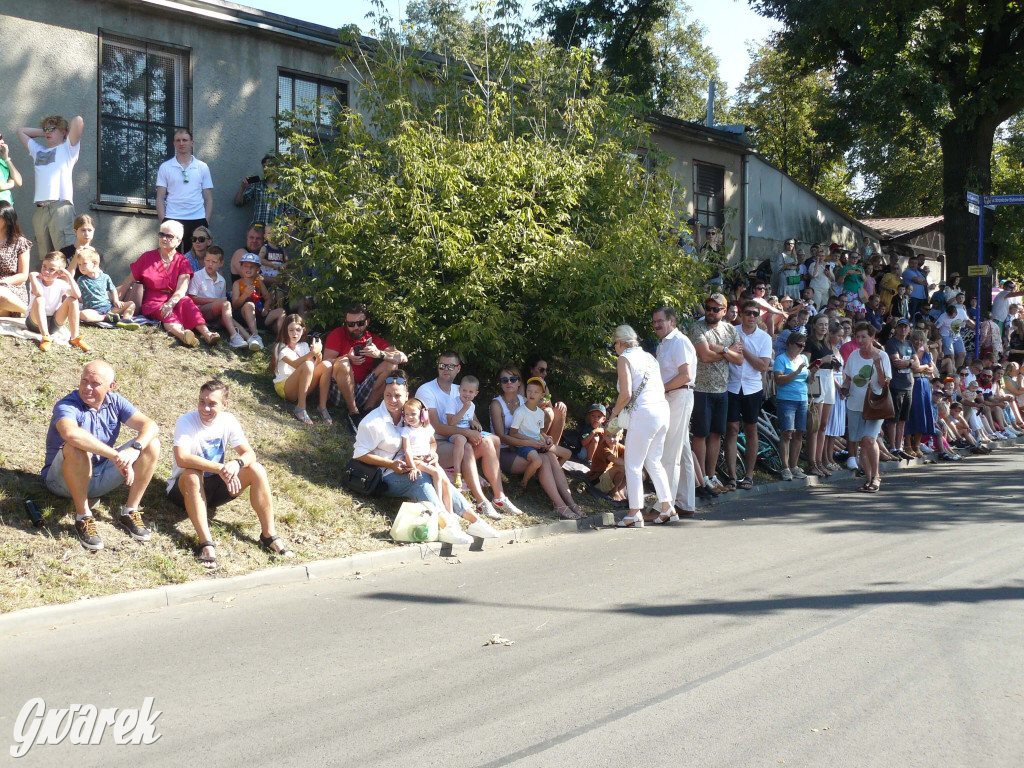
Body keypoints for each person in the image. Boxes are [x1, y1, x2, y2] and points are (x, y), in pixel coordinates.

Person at [354, 371, 498, 545]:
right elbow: (360, 454)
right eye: (388, 395)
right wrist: (391, 464)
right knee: (420, 479)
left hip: (412, 464)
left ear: (406, 396)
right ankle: (446, 526)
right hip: (384, 476)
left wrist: (433, 453)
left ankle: (474, 521)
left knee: (440, 476)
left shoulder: (410, 416)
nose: (393, 400)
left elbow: (430, 440)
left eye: (397, 395)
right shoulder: (372, 423)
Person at [168, 379, 295, 570]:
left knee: (256, 469)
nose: (205, 408)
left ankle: (268, 535)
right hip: (184, 489)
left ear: (225, 405)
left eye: (212, 404)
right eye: (202, 402)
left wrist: (237, 463)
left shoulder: (228, 420)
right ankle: (206, 544)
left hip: (216, 487)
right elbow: (182, 458)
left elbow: (250, 454)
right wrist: (220, 468)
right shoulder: (186, 421)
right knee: (193, 474)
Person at [42, 360, 161, 550]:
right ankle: (83, 517)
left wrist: (135, 449)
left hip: (98, 478)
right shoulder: (67, 404)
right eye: (84, 381)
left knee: (151, 444)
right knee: (76, 447)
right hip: (60, 481)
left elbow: (151, 426)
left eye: (95, 383)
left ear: (110, 386)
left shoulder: (116, 402)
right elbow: (71, 434)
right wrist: (116, 456)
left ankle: (130, 511)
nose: (87, 388)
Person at [416, 351, 521, 519]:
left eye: (450, 366)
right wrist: (466, 432)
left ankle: (499, 496)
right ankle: (481, 502)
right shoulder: (426, 390)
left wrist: (474, 426)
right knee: (466, 447)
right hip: (435, 444)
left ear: (458, 369)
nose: (445, 369)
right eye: (442, 365)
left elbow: (472, 418)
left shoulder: (462, 389)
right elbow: (436, 427)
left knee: (488, 442)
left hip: (458, 440)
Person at [608, 325, 673, 527]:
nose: (615, 349)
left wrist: (614, 415)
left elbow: (626, 394)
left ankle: (635, 511)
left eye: (614, 345)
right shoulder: (649, 358)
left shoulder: (624, 358)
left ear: (619, 343)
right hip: (662, 410)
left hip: (644, 413)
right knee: (654, 461)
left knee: (633, 464)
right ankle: (667, 506)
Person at [119, 220, 220, 347]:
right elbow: (129, 281)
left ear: (179, 241)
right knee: (167, 313)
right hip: (153, 301)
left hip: (175, 299)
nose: (164, 238)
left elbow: (181, 289)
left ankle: (207, 334)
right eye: (162, 234)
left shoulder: (182, 261)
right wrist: (118, 302)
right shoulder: (147, 257)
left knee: (187, 302)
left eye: (169, 236)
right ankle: (183, 335)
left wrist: (171, 303)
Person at [689, 293, 744, 495]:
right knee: (701, 435)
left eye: (715, 309)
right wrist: (728, 352)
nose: (710, 312)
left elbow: (739, 360)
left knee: (716, 435)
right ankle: (700, 477)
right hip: (701, 390)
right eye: (708, 308)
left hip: (722, 390)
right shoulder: (697, 327)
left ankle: (711, 476)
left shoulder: (730, 329)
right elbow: (704, 355)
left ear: (724, 310)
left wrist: (721, 349)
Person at [507, 377, 584, 518]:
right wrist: (531, 441)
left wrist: (547, 437)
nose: (532, 394)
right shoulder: (520, 411)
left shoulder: (539, 413)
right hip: (525, 444)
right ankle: (524, 484)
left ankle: (569, 502)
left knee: (564, 454)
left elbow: (538, 431)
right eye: (529, 391)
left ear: (543, 395)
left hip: (538, 442)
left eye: (536, 392)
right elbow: (513, 433)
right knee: (542, 460)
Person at [324, 302, 407, 432]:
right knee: (343, 363)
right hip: (339, 390)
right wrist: (347, 357)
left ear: (367, 322)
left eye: (360, 323)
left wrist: (379, 354)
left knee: (391, 364)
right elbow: (325, 363)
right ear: (346, 323)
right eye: (351, 324)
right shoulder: (338, 334)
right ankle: (353, 413)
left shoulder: (372, 340)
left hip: (362, 390)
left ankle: (367, 410)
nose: (356, 327)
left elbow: (402, 357)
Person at [17, 113, 84, 257]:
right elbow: (21, 131)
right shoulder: (38, 151)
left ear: (64, 132)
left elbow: (78, 121)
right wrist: (46, 131)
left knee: (65, 254)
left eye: (53, 128)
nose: (48, 132)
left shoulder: (68, 149)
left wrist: (62, 129)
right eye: (46, 129)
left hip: (60, 206)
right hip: (41, 210)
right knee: (47, 257)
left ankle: (68, 279)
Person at [652, 306, 697, 514]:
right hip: (674, 395)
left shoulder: (678, 341)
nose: (657, 325)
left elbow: (685, 375)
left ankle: (664, 506)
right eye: (654, 322)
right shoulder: (664, 344)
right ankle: (685, 503)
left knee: (670, 452)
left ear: (672, 321)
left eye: (660, 321)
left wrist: (660, 389)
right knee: (683, 450)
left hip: (679, 395)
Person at [725, 300, 772, 490]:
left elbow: (762, 366)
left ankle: (749, 475)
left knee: (751, 429)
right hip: (731, 386)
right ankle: (732, 476)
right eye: (748, 313)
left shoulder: (764, 338)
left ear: (759, 315)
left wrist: (744, 348)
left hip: (752, 388)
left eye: (755, 313)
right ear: (741, 315)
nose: (751, 317)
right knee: (732, 429)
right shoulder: (731, 331)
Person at [842, 322, 892, 492]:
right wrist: (844, 389)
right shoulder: (854, 355)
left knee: (870, 439)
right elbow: (848, 378)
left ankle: (876, 477)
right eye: (858, 336)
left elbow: (885, 382)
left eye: (864, 336)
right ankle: (868, 479)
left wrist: (877, 364)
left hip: (875, 405)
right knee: (862, 442)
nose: (861, 340)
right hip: (855, 404)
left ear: (872, 337)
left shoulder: (882, 356)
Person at [155, 128, 213, 253]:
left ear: (192, 143)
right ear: (174, 143)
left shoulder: (202, 167)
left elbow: (208, 198)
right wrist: (163, 222)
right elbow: (160, 197)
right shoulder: (165, 167)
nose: (181, 143)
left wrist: (205, 222)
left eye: (185, 140)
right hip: (172, 218)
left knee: (194, 261)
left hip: (197, 220)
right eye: (178, 140)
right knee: (170, 259)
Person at [271, 313, 334, 425]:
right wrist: (312, 353)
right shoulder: (280, 347)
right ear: (285, 330)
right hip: (285, 386)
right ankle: (300, 408)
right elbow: (295, 364)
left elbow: (314, 368)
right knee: (308, 365)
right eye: (291, 330)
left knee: (327, 365)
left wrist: (318, 353)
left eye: (298, 330)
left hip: (302, 385)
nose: (295, 334)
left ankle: (322, 407)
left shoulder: (304, 345)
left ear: (303, 330)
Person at [27, 251, 89, 351]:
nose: (46, 271)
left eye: (51, 269)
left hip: (53, 322)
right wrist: (31, 277)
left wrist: (68, 275)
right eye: (44, 266)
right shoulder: (36, 281)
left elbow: (77, 295)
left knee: (72, 300)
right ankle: (46, 338)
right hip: (34, 322)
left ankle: (75, 338)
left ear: (60, 273)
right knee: (39, 300)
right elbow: (38, 293)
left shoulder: (60, 283)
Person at [400, 397, 453, 515]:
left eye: (413, 414)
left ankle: (450, 512)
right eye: (407, 414)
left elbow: (433, 443)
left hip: (427, 459)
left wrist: (432, 452)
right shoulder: (406, 431)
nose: (409, 417)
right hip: (415, 459)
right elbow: (407, 451)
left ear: (423, 414)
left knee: (447, 482)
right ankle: (439, 504)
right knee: (436, 473)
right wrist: (412, 467)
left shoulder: (428, 429)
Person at [188, 245, 248, 348]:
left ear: (221, 263)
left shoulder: (222, 280)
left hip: (215, 313)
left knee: (228, 316)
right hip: (200, 312)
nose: (209, 264)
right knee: (225, 304)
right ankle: (234, 336)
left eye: (214, 262)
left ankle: (249, 338)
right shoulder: (197, 276)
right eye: (207, 260)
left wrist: (218, 303)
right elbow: (192, 299)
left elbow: (223, 306)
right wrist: (214, 300)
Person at [774, 332, 810, 480]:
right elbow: (779, 380)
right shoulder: (781, 359)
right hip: (786, 399)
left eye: (803, 345)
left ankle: (794, 466)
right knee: (787, 433)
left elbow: (807, 378)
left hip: (802, 398)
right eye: (798, 345)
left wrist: (812, 373)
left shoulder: (803, 358)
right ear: (790, 344)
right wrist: (796, 372)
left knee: (799, 433)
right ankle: (785, 467)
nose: (801, 348)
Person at [231, 252, 284, 348]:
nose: (248, 269)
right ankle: (256, 336)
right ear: (241, 268)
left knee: (281, 311)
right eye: (246, 266)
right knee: (249, 305)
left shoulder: (258, 282)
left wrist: (265, 308)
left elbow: (268, 299)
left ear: (258, 270)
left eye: (252, 267)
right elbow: (235, 305)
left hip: (259, 316)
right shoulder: (237, 283)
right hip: (244, 317)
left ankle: (280, 342)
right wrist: (245, 296)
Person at [806, 315, 838, 476]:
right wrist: (821, 360)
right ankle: (812, 462)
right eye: (821, 324)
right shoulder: (810, 342)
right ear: (814, 325)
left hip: (829, 378)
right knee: (815, 424)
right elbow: (805, 365)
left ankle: (819, 461)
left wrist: (833, 362)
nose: (824, 327)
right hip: (816, 379)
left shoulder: (827, 342)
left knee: (824, 424)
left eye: (826, 324)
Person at [75, 246, 137, 327]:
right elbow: (77, 294)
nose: (81, 267)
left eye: (84, 264)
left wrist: (116, 301)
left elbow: (113, 289)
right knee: (82, 314)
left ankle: (126, 319)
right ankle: (106, 318)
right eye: (79, 264)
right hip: (93, 310)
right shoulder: (81, 280)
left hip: (108, 308)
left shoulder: (105, 277)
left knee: (131, 304)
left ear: (94, 263)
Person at [445, 375, 488, 489]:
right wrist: (464, 408)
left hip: (467, 431)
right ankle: (457, 473)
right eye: (464, 390)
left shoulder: (472, 405)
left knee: (485, 440)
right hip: (455, 433)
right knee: (461, 439)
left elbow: (467, 418)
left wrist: (472, 422)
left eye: (470, 391)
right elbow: (451, 422)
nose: (467, 394)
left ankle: (485, 471)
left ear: (476, 393)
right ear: (459, 390)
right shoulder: (453, 402)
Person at [884, 318, 915, 460]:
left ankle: (900, 446)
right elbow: (896, 363)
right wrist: (910, 363)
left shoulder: (909, 344)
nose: (903, 329)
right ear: (896, 328)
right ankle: (893, 447)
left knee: (903, 419)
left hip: (908, 385)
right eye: (901, 327)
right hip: (896, 385)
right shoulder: (892, 343)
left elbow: (917, 363)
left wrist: (907, 363)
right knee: (893, 419)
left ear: (909, 330)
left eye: (905, 327)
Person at [523, 354, 568, 449]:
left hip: (541, 423)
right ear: (531, 369)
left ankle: (552, 450)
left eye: (546, 370)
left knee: (560, 410)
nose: (545, 373)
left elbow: (550, 407)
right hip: (525, 424)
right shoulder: (523, 385)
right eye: (541, 370)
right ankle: (540, 448)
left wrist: (560, 404)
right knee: (548, 413)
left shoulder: (544, 386)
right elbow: (520, 409)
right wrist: (537, 405)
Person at [234, 153, 283, 227]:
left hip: (275, 233)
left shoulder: (284, 188)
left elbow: (291, 213)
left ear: (277, 167)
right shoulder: (257, 185)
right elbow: (238, 202)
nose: (266, 169)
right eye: (264, 167)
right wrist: (243, 188)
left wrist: (286, 235)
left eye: (269, 166)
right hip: (257, 232)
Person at [0, 201, 31, 316]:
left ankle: (30, 313)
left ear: (7, 220)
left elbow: (23, 275)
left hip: (11, 288)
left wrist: (3, 282)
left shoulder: (20, 242)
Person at [60, 214, 98, 278]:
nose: (86, 234)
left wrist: (94, 258)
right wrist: (76, 257)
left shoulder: (97, 253)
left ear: (93, 231)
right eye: (83, 230)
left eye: (89, 230)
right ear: (75, 232)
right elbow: (64, 279)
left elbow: (100, 279)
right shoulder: (65, 252)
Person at [0, 134, 23, 205]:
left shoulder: (2, 162)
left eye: (1, 137)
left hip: (7, 206)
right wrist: (11, 183)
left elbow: (19, 182)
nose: (2, 141)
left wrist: (6, 158)